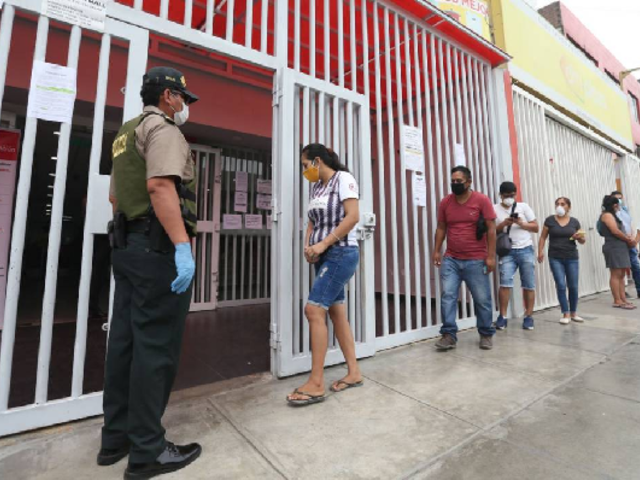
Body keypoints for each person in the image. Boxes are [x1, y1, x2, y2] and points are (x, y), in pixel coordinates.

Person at [98, 67, 201, 479]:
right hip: (155, 250)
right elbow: (160, 186)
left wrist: (134, 237)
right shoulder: (163, 129)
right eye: (183, 98)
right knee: (155, 347)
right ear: (168, 96)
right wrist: (181, 247)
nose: (184, 106)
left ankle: (115, 439)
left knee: (124, 343)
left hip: (127, 248)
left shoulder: (125, 133)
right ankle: (147, 451)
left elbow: (114, 197)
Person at [286, 144, 362, 406]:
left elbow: (353, 217)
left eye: (305, 165)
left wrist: (323, 244)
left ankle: (316, 383)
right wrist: (309, 246)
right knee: (336, 312)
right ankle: (354, 373)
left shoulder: (344, 179)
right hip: (323, 256)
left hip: (341, 253)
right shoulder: (317, 187)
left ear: (317, 161)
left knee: (313, 310)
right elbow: (312, 222)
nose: (304, 171)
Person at [432, 165, 497, 351]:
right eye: (452, 181)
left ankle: (485, 333)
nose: (455, 184)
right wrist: (436, 250)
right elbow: (441, 227)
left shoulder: (481, 200)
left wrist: (490, 256)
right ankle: (448, 335)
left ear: (468, 182)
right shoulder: (446, 202)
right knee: (448, 296)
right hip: (451, 259)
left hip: (476, 259)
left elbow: (491, 229)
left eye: (459, 181)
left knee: (482, 299)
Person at [494, 181, 539, 330]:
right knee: (505, 283)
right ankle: (502, 316)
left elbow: (536, 227)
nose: (510, 198)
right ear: (500, 195)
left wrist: (522, 223)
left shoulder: (523, 207)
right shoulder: (494, 209)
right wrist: (504, 224)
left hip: (525, 249)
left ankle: (528, 316)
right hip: (507, 251)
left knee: (529, 284)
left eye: (512, 195)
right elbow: (492, 231)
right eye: (506, 195)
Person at [538, 197, 586, 324]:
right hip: (555, 257)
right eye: (557, 204)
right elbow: (543, 237)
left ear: (568, 207)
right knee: (560, 284)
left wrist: (578, 237)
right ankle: (565, 313)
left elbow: (583, 240)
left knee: (573, 286)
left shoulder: (574, 222)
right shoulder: (550, 220)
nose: (559, 206)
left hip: (572, 257)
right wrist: (540, 251)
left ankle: (573, 312)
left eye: (563, 204)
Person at [599, 195, 640, 310]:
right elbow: (615, 231)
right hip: (613, 247)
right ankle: (617, 300)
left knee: (622, 275)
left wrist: (629, 239)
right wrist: (628, 239)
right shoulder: (607, 215)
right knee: (615, 274)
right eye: (617, 204)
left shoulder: (614, 216)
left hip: (621, 247)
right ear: (614, 205)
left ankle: (623, 299)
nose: (619, 206)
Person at [611, 191, 640, 299]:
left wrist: (633, 240)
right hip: (619, 243)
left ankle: (639, 290)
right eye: (616, 198)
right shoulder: (610, 213)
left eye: (620, 198)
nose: (619, 200)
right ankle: (621, 293)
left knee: (635, 266)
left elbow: (629, 225)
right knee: (620, 270)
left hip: (630, 242)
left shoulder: (625, 210)